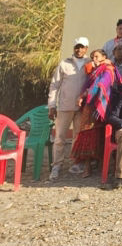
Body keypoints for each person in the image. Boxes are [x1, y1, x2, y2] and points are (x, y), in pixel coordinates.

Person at [70, 49, 122, 178]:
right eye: (93, 56)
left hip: (103, 106)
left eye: (97, 56)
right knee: (87, 134)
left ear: (104, 57)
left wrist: (93, 91)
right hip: (91, 107)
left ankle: (105, 167)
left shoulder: (109, 69)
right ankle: (88, 167)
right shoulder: (94, 71)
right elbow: (88, 86)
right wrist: (84, 95)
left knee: (103, 135)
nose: (94, 59)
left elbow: (103, 84)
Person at [47, 37, 90, 180]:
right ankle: (57, 166)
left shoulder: (89, 64)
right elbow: (54, 85)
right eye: (77, 47)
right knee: (59, 138)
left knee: (77, 137)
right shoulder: (64, 64)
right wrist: (52, 105)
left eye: (82, 47)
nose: (79, 50)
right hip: (64, 106)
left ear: (86, 49)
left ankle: (75, 163)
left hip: (81, 108)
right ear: (74, 48)